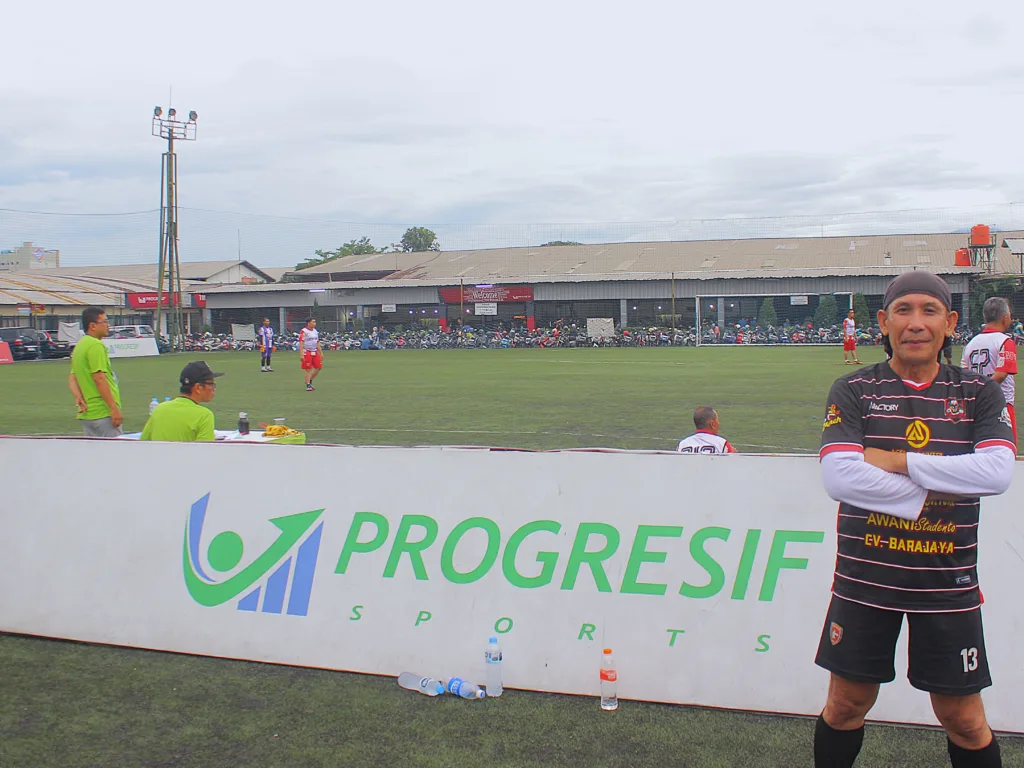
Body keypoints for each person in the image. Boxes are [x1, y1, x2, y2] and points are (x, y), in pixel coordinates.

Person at [815, 271, 1015, 768]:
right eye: (903, 310)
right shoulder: (854, 388)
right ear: (884, 321)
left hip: (946, 584)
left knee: (964, 720)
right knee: (845, 706)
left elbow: (996, 472)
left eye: (930, 310)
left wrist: (898, 461)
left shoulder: (979, 393)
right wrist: (943, 485)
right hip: (865, 580)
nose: (916, 323)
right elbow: (840, 477)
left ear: (950, 322)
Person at [961, 297, 1017, 446]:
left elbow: (964, 375)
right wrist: (984, 392)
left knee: (980, 446)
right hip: (1001, 403)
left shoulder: (970, 344)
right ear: (1005, 318)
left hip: (975, 405)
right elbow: (1002, 374)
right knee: (1007, 447)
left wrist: (977, 394)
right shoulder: (1006, 341)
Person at [67, 306, 122, 437]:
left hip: (87, 413)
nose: (108, 325)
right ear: (93, 326)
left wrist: (78, 397)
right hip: (102, 412)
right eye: (105, 322)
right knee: (114, 449)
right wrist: (113, 408)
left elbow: (72, 378)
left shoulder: (80, 345)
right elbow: (99, 378)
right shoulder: (95, 345)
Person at [140, 361, 223, 442]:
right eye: (212, 385)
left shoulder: (159, 409)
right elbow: (205, 449)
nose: (214, 389)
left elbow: (142, 443)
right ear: (198, 387)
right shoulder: (204, 415)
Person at [299, 317, 322, 391]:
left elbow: (317, 342)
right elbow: (301, 342)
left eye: (315, 322)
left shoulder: (315, 331)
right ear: (308, 323)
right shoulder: (304, 331)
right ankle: (308, 385)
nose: (314, 323)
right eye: (313, 322)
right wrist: (301, 354)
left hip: (314, 351)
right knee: (308, 369)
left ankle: (309, 380)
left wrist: (321, 353)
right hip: (307, 351)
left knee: (318, 367)